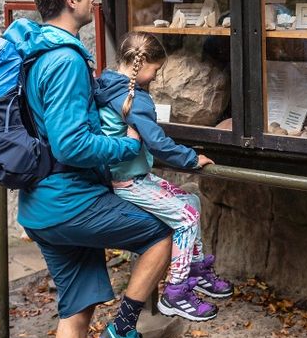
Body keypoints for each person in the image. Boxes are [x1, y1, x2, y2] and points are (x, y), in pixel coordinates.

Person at [17, 0, 175, 338]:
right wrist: (128, 152)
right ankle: (125, 328)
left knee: (75, 308)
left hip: (43, 206)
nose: (93, 0)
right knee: (160, 231)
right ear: (71, 0)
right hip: (71, 200)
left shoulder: (37, 52)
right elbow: (70, 143)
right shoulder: (64, 60)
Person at [93, 31, 231, 322]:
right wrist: (191, 159)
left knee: (191, 198)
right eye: (155, 70)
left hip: (128, 175)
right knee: (186, 216)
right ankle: (176, 291)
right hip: (130, 181)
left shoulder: (105, 84)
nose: (156, 77)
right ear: (141, 65)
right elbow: (157, 142)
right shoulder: (134, 99)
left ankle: (194, 267)